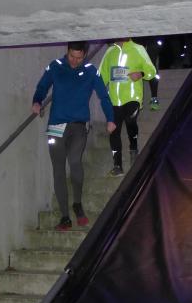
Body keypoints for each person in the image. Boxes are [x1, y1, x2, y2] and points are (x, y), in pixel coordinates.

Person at [32, 41, 116, 231]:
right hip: (56, 125)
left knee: (75, 161)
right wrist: (36, 101)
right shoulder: (56, 66)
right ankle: (65, 216)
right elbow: (42, 86)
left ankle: (77, 203)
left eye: (79, 58)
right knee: (58, 169)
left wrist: (110, 119)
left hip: (79, 125)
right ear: (67, 51)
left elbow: (103, 96)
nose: (74, 61)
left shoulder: (91, 71)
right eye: (72, 56)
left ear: (85, 55)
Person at [100, 38, 158, 176]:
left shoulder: (138, 49)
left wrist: (141, 74)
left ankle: (133, 147)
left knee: (130, 121)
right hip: (114, 100)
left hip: (133, 98)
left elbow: (151, 70)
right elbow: (101, 76)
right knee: (114, 131)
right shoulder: (110, 51)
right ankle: (117, 165)